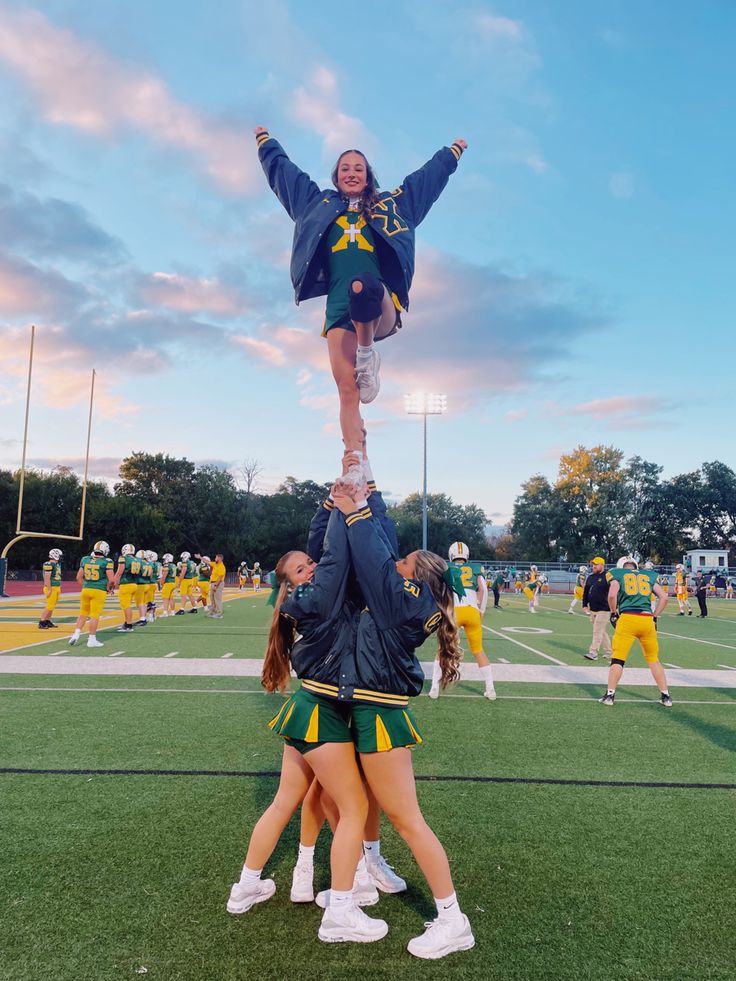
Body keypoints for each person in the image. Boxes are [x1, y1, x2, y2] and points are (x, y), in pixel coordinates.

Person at [254, 126, 467, 485]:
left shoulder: (391, 207)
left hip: (379, 305)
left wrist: (451, 155)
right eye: (345, 169)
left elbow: (423, 182)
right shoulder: (317, 206)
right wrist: (266, 145)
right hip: (337, 310)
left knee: (362, 287)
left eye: (359, 169)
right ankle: (356, 463)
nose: (351, 173)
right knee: (346, 390)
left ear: (368, 176)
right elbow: (286, 176)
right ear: (336, 177)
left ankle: (368, 356)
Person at [227, 506, 388, 944]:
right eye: (302, 567)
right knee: (353, 808)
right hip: (321, 715)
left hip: (306, 712)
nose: (312, 566)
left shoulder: (307, 596)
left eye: (309, 562)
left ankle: (246, 887)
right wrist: (344, 512)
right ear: (291, 582)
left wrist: (326, 509)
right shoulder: (312, 597)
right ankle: (342, 907)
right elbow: (335, 561)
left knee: (284, 803)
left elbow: (328, 558)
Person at [598, 556, 672, 707]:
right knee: (653, 659)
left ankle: (610, 695)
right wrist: (655, 616)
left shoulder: (616, 574)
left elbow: (612, 595)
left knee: (618, 659)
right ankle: (666, 696)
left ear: (620, 566)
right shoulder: (649, 575)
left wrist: (613, 613)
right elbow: (664, 597)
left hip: (628, 619)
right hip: (646, 620)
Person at [428, 542, 496, 700]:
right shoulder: (476, 568)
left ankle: (434, 688)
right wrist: (481, 609)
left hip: (455, 612)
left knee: (442, 650)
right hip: (472, 612)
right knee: (479, 651)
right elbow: (484, 589)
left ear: (452, 554)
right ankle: (490, 689)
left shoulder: (446, 566)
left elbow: (439, 590)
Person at [68, 541, 114, 648]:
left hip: (86, 590)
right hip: (99, 591)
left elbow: (78, 578)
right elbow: (111, 580)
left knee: (83, 613)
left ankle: (76, 634)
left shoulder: (85, 559)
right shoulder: (107, 561)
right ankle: (92, 639)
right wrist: (109, 588)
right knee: (94, 616)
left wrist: (87, 586)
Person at [582, 557, 612, 661]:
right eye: (593, 564)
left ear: (602, 565)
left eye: (596, 564)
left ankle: (593, 652)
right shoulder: (590, 577)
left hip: (604, 608)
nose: (593, 566)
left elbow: (615, 591)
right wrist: (584, 605)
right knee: (601, 631)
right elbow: (585, 592)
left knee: (597, 631)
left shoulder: (608, 576)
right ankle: (609, 651)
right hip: (593, 609)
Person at [114, 544, 140, 634]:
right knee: (128, 605)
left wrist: (114, 581)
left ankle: (128, 625)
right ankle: (126, 623)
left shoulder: (123, 558)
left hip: (126, 584)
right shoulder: (136, 559)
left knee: (126, 606)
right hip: (134, 584)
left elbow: (120, 571)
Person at [39, 547, 63, 629]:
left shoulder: (56, 564)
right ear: (55, 555)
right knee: (49, 605)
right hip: (51, 587)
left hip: (56, 587)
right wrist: (49, 589)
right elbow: (47, 578)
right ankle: (42, 622)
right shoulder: (48, 564)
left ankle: (47, 621)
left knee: (52, 606)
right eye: (59, 555)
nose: (60, 557)